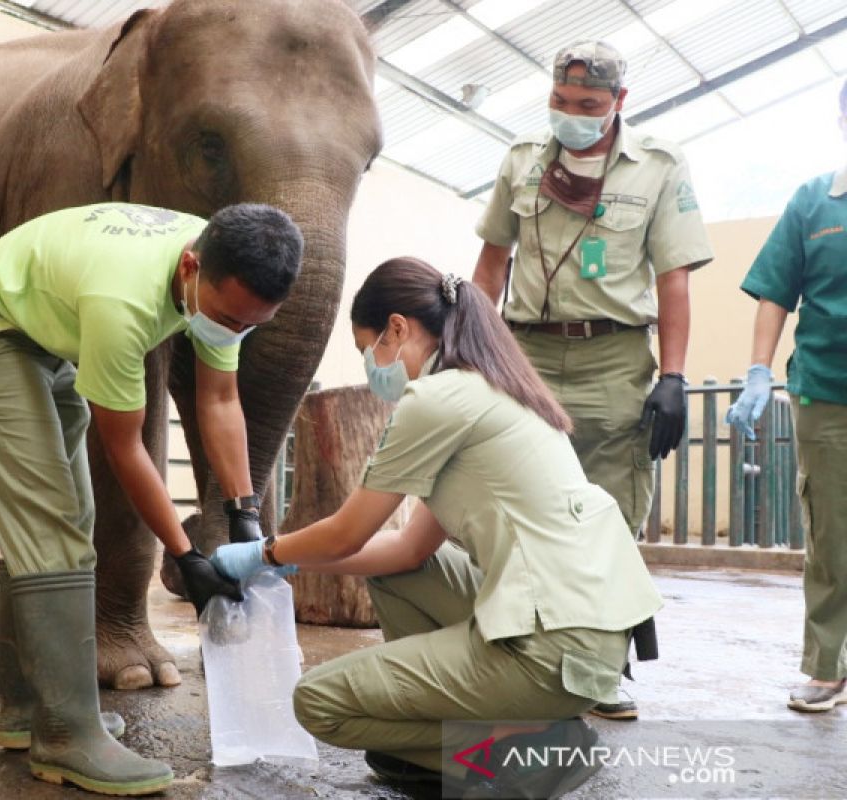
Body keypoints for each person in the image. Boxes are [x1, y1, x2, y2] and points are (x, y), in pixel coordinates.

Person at [211, 257, 662, 796]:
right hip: (585, 638)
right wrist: (290, 562)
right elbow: (406, 550)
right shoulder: (495, 387)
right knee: (402, 573)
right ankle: (497, 726)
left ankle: (528, 754)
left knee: (318, 701)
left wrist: (262, 553)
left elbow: (347, 532)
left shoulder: (435, 399)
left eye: (368, 348)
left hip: (550, 648)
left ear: (397, 329)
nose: (370, 366)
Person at [0, 201, 303, 795]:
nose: (232, 332)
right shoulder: (125, 300)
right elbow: (126, 447)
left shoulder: (224, 281)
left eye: (250, 325)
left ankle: (26, 712)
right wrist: (185, 554)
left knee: (65, 526)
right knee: (51, 532)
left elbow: (219, 401)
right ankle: (66, 736)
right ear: (190, 267)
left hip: (47, 335)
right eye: (227, 319)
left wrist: (245, 515)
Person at [470, 40, 712, 720]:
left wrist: (674, 376)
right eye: (561, 101)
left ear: (618, 103)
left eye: (588, 105)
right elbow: (491, 265)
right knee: (516, 513)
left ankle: (599, 672)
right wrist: (469, 343)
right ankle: (516, 661)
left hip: (612, 359)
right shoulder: (522, 159)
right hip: (525, 357)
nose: (571, 114)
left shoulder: (658, 167)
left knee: (606, 522)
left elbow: (674, 280)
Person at [725, 78, 847, 714]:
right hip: (827, 394)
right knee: (832, 537)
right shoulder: (815, 201)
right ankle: (827, 667)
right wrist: (757, 370)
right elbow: (777, 292)